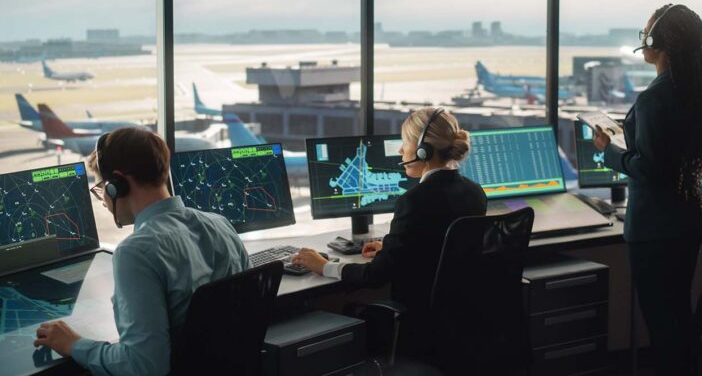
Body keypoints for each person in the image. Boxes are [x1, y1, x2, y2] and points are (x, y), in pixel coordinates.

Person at [33, 127, 250, 376]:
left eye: (102, 188)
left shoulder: (136, 252)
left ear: (118, 184)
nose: (103, 200)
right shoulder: (221, 224)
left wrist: (75, 345)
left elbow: (145, 366)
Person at [293, 107, 486, 356]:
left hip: (421, 326)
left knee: (347, 310)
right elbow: (444, 245)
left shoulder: (415, 201)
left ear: (422, 151)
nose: (400, 150)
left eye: (404, 143)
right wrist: (394, 248)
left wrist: (323, 266)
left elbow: (376, 276)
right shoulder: (475, 192)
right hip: (462, 323)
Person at [593, 4, 702, 376]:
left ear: (656, 41)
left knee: (663, 327)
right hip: (690, 215)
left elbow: (649, 168)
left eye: (645, 32)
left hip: (657, 228)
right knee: (678, 318)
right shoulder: (696, 88)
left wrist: (609, 152)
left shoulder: (654, 98)